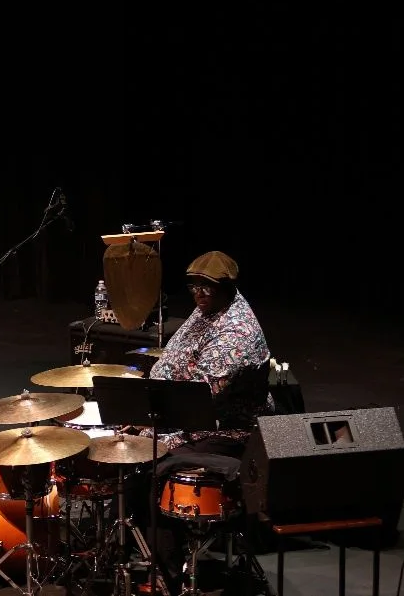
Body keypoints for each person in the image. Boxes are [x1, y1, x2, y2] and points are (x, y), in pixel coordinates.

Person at [135, 250, 274, 593]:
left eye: (206, 288)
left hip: (230, 430)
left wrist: (153, 427)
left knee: (155, 467)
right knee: (127, 451)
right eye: (194, 286)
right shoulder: (206, 311)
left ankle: (165, 576)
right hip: (190, 418)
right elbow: (171, 364)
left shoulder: (237, 335)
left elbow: (198, 399)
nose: (198, 294)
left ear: (227, 288)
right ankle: (133, 550)